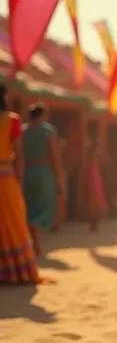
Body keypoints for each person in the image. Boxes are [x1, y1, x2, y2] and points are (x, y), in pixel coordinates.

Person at [0, 85, 52, 283]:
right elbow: (19, 155)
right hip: (5, 177)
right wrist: (18, 181)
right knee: (13, 221)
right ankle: (16, 271)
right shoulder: (11, 120)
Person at [21, 102, 63, 255]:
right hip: (44, 172)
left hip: (28, 172)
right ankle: (37, 244)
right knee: (43, 207)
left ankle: (34, 243)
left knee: (31, 207)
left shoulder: (23, 131)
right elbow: (53, 155)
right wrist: (58, 177)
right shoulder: (48, 131)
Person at [85, 138, 108, 232]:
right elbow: (103, 163)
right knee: (97, 198)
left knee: (91, 199)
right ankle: (95, 223)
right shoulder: (98, 153)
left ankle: (92, 223)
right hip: (96, 175)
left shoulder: (89, 153)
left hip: (90, 175)